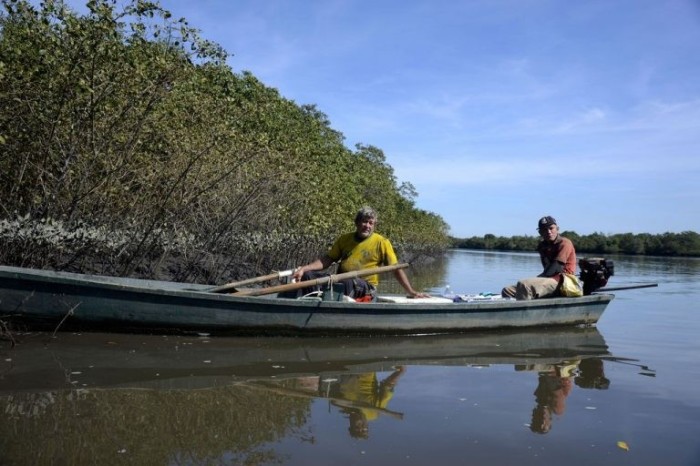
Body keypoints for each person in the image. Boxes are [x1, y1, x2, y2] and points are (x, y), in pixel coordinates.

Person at [291, 206, 429, 300]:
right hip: (340, 281)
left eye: (371, 223)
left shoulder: (382, 242)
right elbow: (327, 259)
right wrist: (304, 269)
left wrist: (411, 291)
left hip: (365, 287)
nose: (367, 226)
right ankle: (307, 305)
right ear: (357, 223)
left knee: (346, 281)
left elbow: (396, 269)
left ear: (374, 225)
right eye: (364, 222)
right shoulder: (344, 239)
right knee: (309, 276)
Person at [501, 216, 576, 300]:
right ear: (540, 232)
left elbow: (557, 268)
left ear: (557, 229)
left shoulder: (564, 243)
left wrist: (539, 278)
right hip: (549, 279)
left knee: (524, 285)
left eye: (551, 228)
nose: (548, 232)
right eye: (544, 229)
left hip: (563, 282)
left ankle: (524, 312)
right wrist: (539, 278)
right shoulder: (542, 246)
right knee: (507, 290)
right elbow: (547, 269)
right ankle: (511, 311)